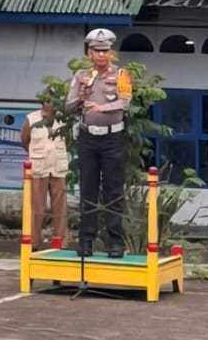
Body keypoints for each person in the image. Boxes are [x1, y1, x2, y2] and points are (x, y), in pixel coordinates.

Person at [65, 27, 132, 258]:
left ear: (111, 52)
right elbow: (69, 105)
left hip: (113, 137)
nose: (101, 55)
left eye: (105, 51)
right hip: (88, 138)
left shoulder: (121, 74)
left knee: (113, 190)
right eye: (97, 51)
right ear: (89, 53)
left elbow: (124, 103)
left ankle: (115, 242)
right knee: (88, 189)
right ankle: (86, 241)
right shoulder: (81, 76)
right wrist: (81, 97)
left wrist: (101, 107)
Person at [20, 89, 68, 249]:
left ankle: (61, 242)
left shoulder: (63, 119)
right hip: (39, 167)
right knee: (36, 208)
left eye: (54, 100)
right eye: (48, 100)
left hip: (58, 167)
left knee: (60, 208)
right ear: (43, 102)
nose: (51, 103)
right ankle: (33, 242)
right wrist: (35, 154)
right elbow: (24, 140)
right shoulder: (32, 118)